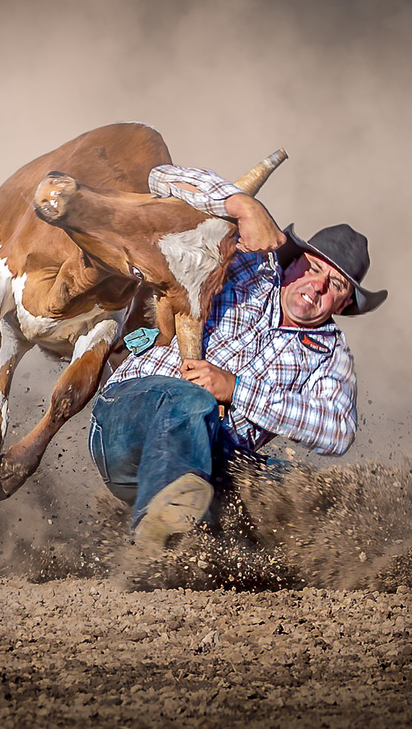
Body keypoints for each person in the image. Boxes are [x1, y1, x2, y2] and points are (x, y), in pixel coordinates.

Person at [88, 164, 387, 550]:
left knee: (299, 489)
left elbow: (337, 429)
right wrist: (243, 205)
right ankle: (155, 540)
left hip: (215, 458)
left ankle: (216, 554)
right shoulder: (240, 266)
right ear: (293, 260)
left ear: (345, 303)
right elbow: (160, 178)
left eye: (336, 285)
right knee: (191, 400)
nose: (317, 287)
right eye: (313, 269)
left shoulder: (331, 356)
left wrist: (237, 390)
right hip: (128, 421)